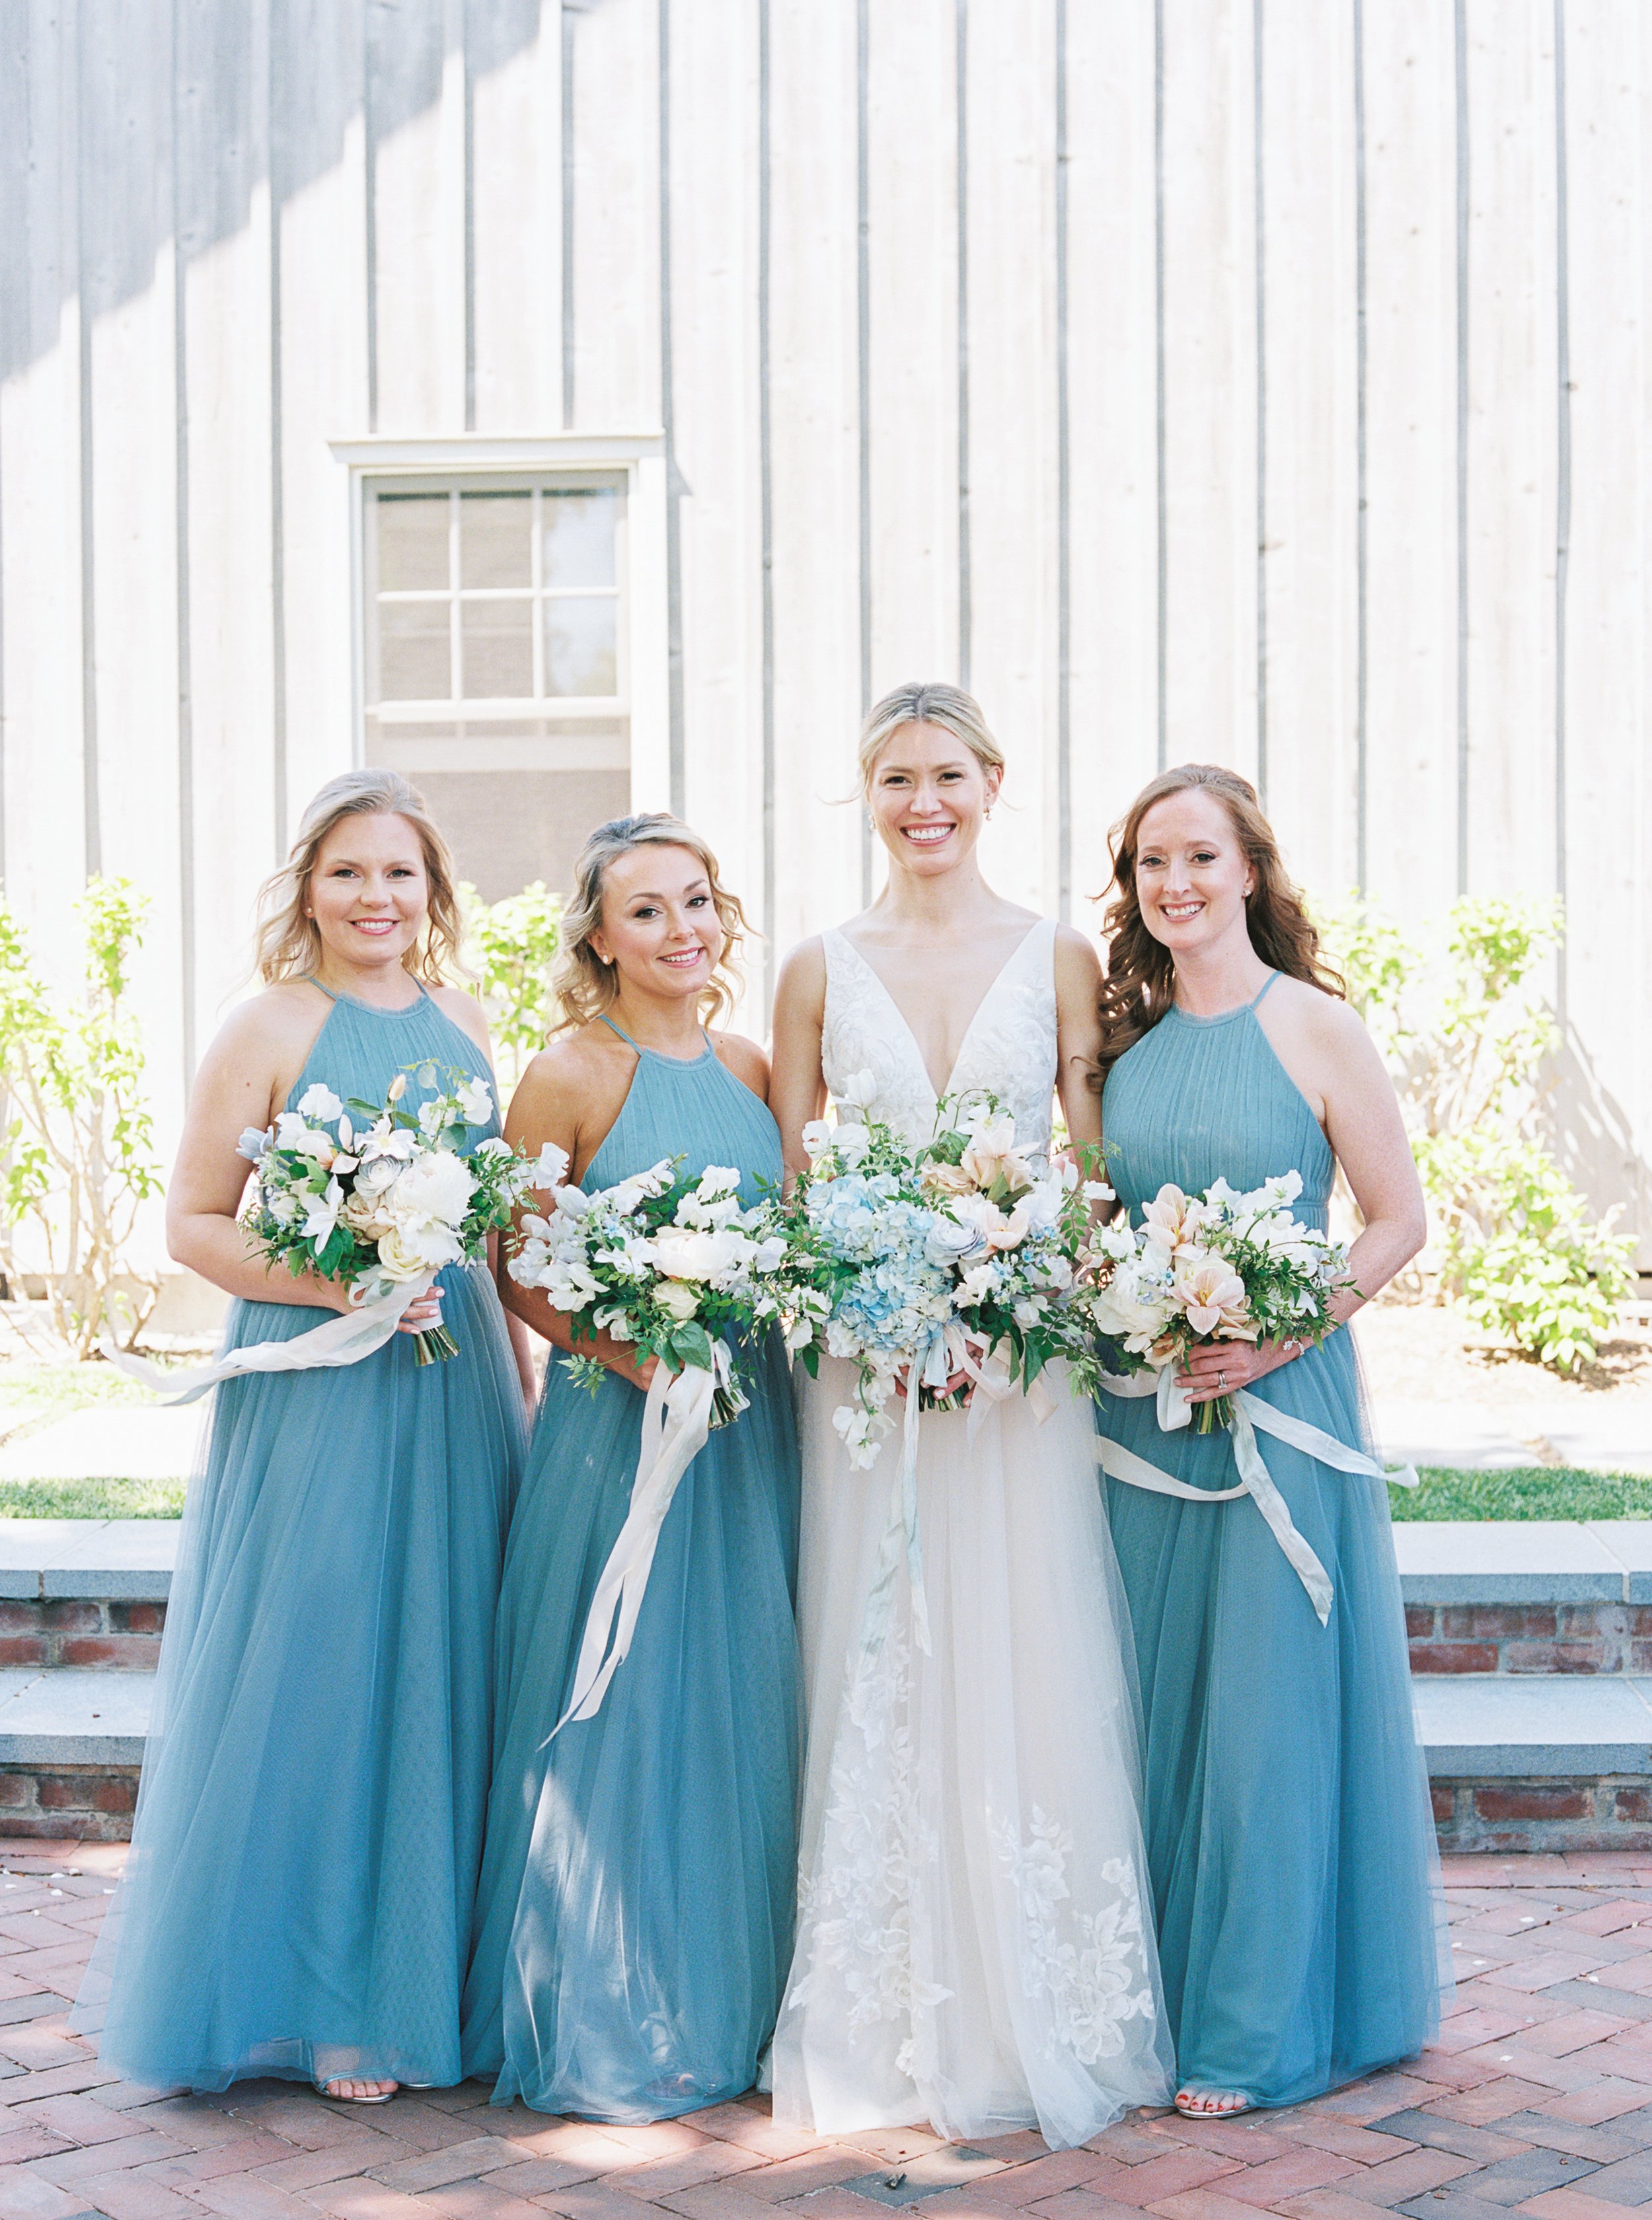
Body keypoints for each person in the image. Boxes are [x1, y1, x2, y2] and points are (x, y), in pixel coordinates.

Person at [72, 769, 532, 2100]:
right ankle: (323, 1997)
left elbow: (487, 1235)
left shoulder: (466, 1017)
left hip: (450, 1386)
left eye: (398, 874)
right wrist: (343, 1279)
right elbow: (195, 1223)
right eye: (348, 873)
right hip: (317, 1381)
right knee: (323, 1665)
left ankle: (418, 1981)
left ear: (432, 892)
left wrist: (515, 1380)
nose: (375, 899)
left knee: (445, 1665)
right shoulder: (268, 1022)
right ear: (308, 889)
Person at [766, 684, 1173, 2151]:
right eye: (892, 777)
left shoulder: (1054, 955)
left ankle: (1022, 2005)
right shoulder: (816, 966)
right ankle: (879, 2002)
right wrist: (871, 1315)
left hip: (1013, 1384)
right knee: (875, 1642)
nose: (920, 801)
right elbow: (794, 1193)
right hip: (863, 1380)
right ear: (862, 792)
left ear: (992, 783)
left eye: (945, 774)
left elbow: (1087, 1166)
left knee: (1016, 1644)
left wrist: (1008, 1305)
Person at [1094, 762, 1448, 2118]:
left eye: (1196, 858)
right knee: (1149, 1704)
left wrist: (1284, 1333)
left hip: (1276, 1405)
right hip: (1143, 1414)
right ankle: (1156, 2004)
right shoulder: (1121, 1048)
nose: (1172, 885)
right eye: (1147, 866)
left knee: (1259, 1718)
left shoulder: (1311, 1027)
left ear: (1248, 870)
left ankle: (1250, 2027)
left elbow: (1392, 1219)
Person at [461, 814, 802, 2122]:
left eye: (699, 903)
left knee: (732, 1700)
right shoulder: (570, 1073)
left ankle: (731, 1996)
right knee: (620, 1706)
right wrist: (631, 1351)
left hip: (744, 1418)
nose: (681, 931)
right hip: (621, 1422)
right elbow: (516, 1264)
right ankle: (604, 2010)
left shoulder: (755, 1064)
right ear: (598, 935)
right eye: (647, 910)